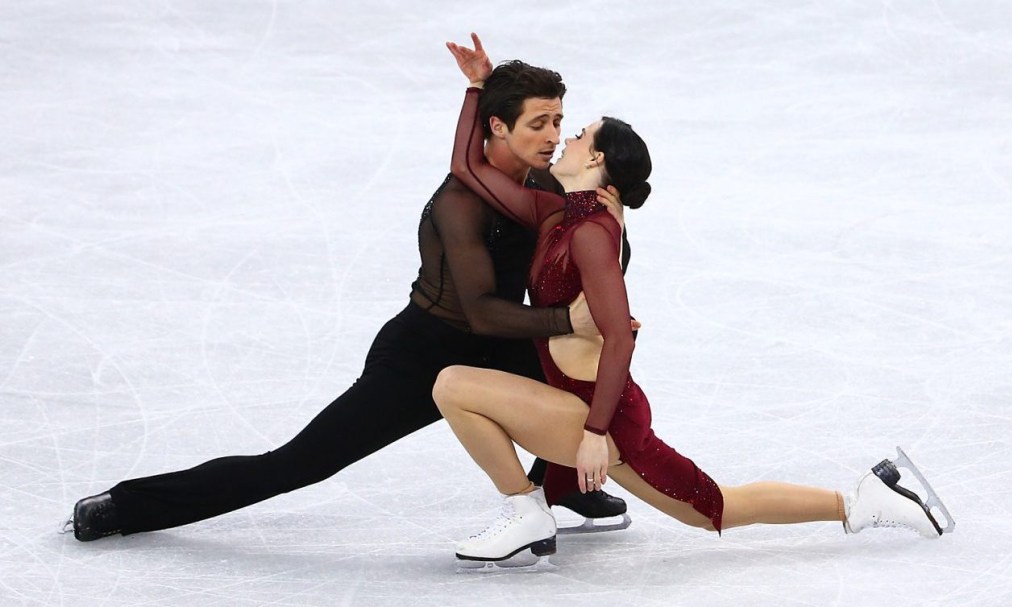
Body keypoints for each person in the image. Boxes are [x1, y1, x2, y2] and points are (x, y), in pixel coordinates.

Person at [64, 56, 635, 542]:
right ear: (499, 127)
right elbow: (482, 309)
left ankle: (562, 489)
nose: (556, 135)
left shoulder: (543, 182)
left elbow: (589, 242)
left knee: (590, 393)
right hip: (426, 353)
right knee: (298, 464)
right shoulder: (460, 204)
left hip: (508, 337)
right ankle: (128, 506)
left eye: (560, 121)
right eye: (540, 123)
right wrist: (567, 320)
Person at [437, 34, 955, 563]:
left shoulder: (591, 230)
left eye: (575, 135)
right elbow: (468, 168)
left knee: (454, 385)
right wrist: (478, 86)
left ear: (594, 159)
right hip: (587, 407)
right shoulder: (561, 210)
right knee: (714, 508)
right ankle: (861, 501)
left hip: (599, 419)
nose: (560, 141)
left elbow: (618, 335)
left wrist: (593, 436)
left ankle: (526, 510)